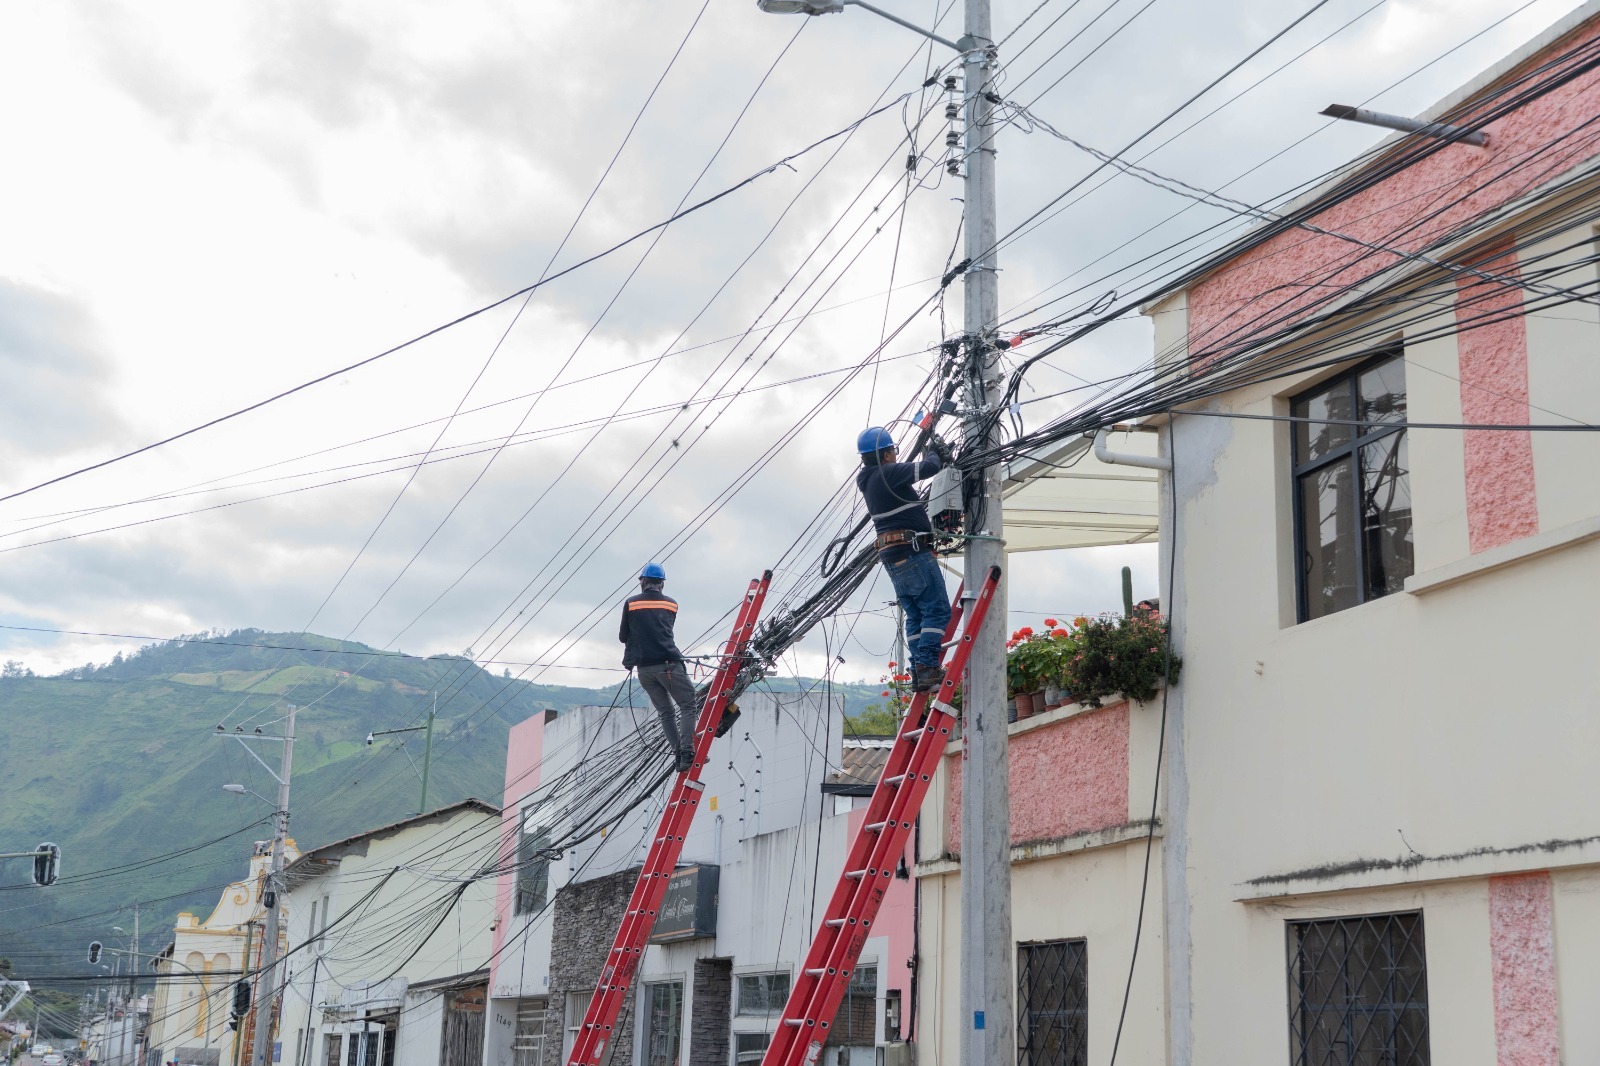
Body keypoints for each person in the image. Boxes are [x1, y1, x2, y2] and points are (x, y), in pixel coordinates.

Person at [855, 426, 954, 692]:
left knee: (915, 613)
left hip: (892, 555)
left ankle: (917, 671)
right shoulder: (887, 474)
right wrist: (935, 454)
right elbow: (928, 469)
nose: (895, 456)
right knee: (937, 609)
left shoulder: (866, 478)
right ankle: (927, 667)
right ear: (886, 454)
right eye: (893, 451)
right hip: (912, 550)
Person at [620, 562, 700, 772]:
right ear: (662, 583)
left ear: (643, 581)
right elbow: (664, 630)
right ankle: (687, 752)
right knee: (688, 704)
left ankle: (679, 754)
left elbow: (622, 636)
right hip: (668, 665)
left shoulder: (631, 603)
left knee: (665, 712)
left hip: (644, 670)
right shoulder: (671, 604)